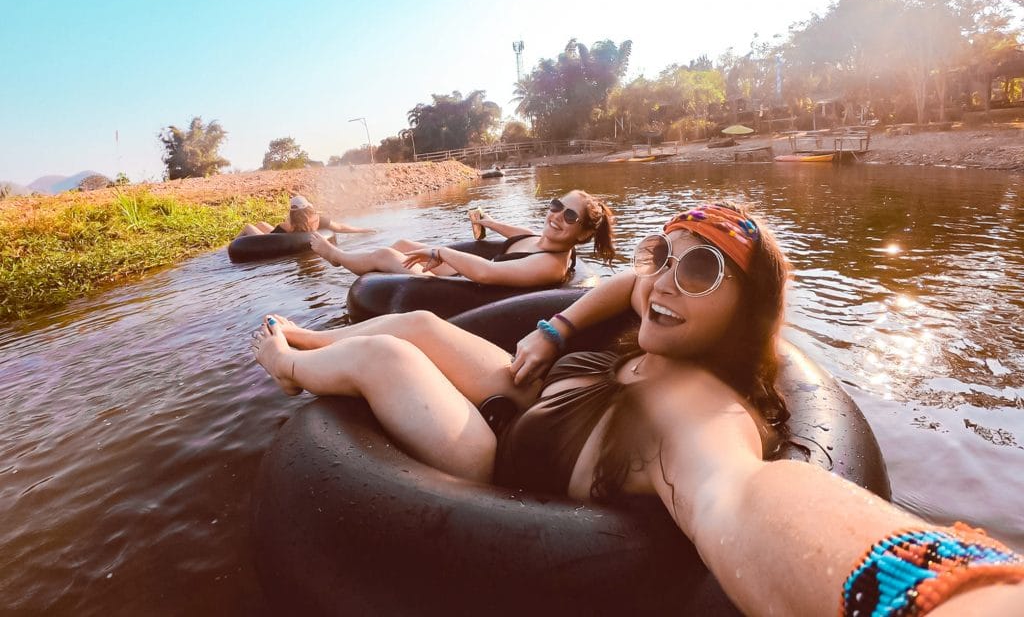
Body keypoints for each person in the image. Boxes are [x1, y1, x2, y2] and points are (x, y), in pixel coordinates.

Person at [251, 202, 1024, 616]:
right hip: (546, 387)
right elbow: (625, 283)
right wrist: (557, 327)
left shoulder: (698, 404)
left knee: (390, 356)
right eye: (664, 254)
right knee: (420, 325)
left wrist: (947, 591)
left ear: (746, 312)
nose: (661, 282)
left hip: (501, 447)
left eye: (699, 268)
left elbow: (741, 498)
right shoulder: (652, 308)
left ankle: (291, 366)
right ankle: (318, 336)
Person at [308, 189, 615, 288]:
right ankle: (350, 259)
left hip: (466, 289)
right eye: (556, 206)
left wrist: (440, 251)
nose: (557, 216)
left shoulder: (551, 265)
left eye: (570, 216)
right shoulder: (541, 239)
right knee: (401, 244)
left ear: (584, 233)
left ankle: (337, 258)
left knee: (387, 257)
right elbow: (518, 232)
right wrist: (488, 221)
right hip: (464, 276)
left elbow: (488, 272)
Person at [237, 195, 375, 237]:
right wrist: (363, 230)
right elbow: (341, 227)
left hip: (268, 241)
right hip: (277, 236)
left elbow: (273, 236)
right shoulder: (318, 220)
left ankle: (231, 245)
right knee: (261, 224)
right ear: (309, 208)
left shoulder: (288, 225)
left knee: (249, 226)